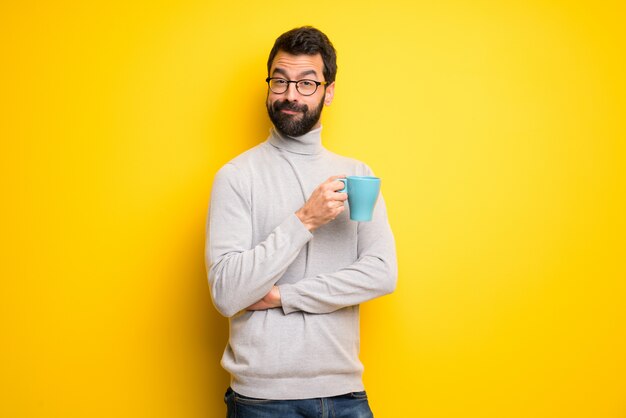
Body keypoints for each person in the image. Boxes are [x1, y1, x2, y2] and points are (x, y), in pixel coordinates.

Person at [206, 26, 397, 418]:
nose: (290, 94)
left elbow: (381, 273)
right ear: (269, 85)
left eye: (306, 83)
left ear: (328, 92)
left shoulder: (356, 174)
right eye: (280, 80)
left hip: (345, 395)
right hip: (260, 400)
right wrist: (304, 220)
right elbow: (227, 293)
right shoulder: (237, 176)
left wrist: (282, 297)